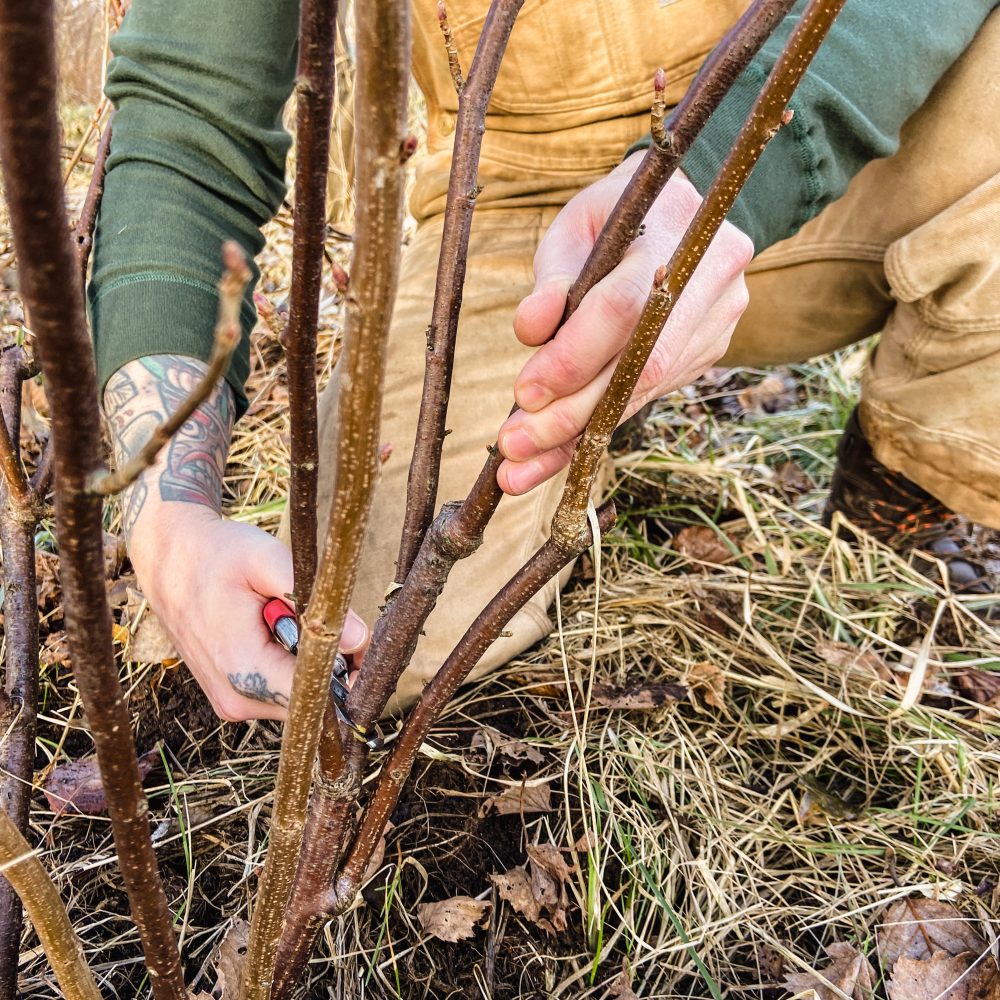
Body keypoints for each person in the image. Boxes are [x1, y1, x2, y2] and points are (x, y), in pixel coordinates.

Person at [90, 0, 1000, 721]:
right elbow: (188, 118)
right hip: (517, 202)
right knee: (362, 654)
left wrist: (723, 178)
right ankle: (594, 416)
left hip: (825, 127)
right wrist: (168, 513)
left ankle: (900, 498)